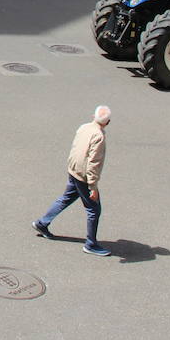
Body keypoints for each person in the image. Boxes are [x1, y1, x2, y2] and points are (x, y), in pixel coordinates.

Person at [34, 105, 113, 256]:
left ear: (93, 116)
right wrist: (93, 187)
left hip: (73, 170)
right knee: (94, 210)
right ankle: (90, 244)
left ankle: (42, 223)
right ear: (107, 122)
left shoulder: (84, 127)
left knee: (66, 198)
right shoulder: (99, 136)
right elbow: (93, 163)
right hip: (83, 176)